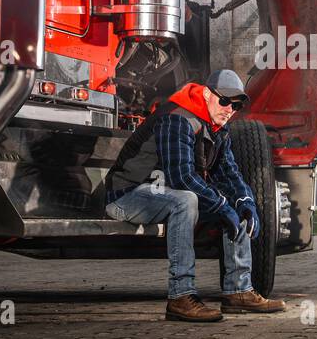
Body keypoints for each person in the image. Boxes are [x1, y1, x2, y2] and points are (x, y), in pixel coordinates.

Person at [103, 69, 286, 322]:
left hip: (162, 195)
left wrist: (245, 201)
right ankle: (180, 297)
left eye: (235, 105)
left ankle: (239, 291)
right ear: (206, 94)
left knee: (236, 205)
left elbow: (230, 174)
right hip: (127, 196)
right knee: (187, 199)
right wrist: (222, 207)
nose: (229, 109)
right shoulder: (177, 118)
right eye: (224, 101)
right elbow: (182, 177)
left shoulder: (217, 128)